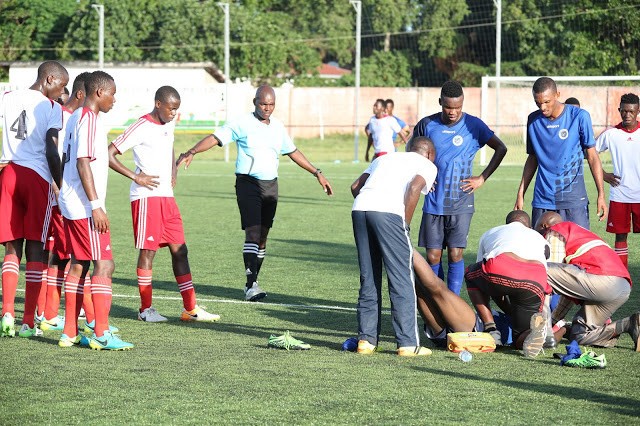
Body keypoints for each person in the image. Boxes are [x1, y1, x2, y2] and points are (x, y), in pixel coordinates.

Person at [176, 85, 333, 301]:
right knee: (253, 232)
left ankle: (254, 281)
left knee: (263, 236)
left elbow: (293, 151)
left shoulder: (277, 127)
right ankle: (251, 286)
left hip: (271, 185)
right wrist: (192, 151)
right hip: (247, 183)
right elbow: (215, 138)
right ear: (255, 102)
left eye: (271, 104)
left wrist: (317, 172)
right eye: (263, 103)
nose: (267, 108)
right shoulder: (242, 123)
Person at [108, 86, 220, 323]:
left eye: (177, 110)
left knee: (181, 250)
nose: (173, 114)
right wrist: (136, 176)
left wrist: (173, 172)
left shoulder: (169, 123)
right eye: (171, 109)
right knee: (148, 252)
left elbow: (169, 147)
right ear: (158, 104)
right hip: (146, 198)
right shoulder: (140, 126)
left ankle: (191, 309)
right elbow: (109, 153)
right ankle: (145, 309)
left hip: (167, 197)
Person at [58, 70, 133, 350]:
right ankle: (101, 333)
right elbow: (82, 163)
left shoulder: (77, 117)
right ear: (99, 92)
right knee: (105, 264)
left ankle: (69, 332)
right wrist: (96, 206)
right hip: (84, 207)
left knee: (79, 264)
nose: (114, 99)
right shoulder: (88, 119)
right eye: (112, 93)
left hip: (71, 203)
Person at [412, 80, 507, 296]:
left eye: (457, 107)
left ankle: (452, 300)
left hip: (461, 201)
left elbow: (501, 148)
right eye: (448, 107)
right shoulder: (427, 124)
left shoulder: (474, 125)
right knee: (433, 256)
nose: (453, 112)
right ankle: (437, 299)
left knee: (455, 253)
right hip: (434, 201)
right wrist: (422, 176)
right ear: (440, 103)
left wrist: (482, 178)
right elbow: (412, 152)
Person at [351, 136, 437, 356]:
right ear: (429, 153)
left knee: (369, 276)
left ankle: (366, 341)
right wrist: (404, 225)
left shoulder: (385, 158)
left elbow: (355, 186)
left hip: (360, 208)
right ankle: (408, 343)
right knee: (401, 277)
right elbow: (416, 187)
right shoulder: (427, 164)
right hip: (389, 214)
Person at [0, 60, 68, 338]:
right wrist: (61, 184)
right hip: (36, 177)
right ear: (50, 79)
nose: (61, 93)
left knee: (12, 247)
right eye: (61, 86)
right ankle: (28, 321)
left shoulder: (7, 97)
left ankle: (6, 312)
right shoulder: (51, 108)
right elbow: (52, 151)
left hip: (8, 173)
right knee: (36, 249)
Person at [536, 212, 639, 350]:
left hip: (602, 280)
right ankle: (628, 324)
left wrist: (547, 324)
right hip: (622, 287)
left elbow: (550, 273)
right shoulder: (582, 234)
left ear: (544, 226)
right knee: (580, 335)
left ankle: (544, 332)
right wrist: (555, 320)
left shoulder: (555, 232)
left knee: (541, 271)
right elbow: (567, 285)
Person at [40, 72, 94, 332]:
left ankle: (52, 313)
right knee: (63, 256)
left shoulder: (73, 118)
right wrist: (58, 187)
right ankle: (50, 314)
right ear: (81, 94)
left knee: (63, 256)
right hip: (59, 197)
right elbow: (52, 154)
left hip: (64, 197)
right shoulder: (62, 117)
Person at [514, 77, 607, 230]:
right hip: (543, 199)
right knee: (541, 249)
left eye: (546, 102)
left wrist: (601, 194)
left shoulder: (579, 116)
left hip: (573, 199)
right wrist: (521, 193)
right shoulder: (533, 120)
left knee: (577, 248)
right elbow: (532, 158)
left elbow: (592, 156)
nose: (542, 107)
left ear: (557, 94)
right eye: (538, 103)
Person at [464, 210, 552, 357]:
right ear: (528, 226)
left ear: (507, 224)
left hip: (502, 268)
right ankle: (531, 334)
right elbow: (545, 270)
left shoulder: (492, 232)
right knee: (521, 339)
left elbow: (483, 268)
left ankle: (490, 329)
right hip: (535, 280)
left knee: (470, 275)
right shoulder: (540, 238)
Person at [595, 93, 640, 269]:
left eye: (631, 111)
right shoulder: (611, 133)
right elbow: (589, 153)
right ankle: (622, 274)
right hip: (620, 194)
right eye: (623, 111)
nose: (627, 115)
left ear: (638, 111)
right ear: (619, 110)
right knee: (620, 236)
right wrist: (604, 175)